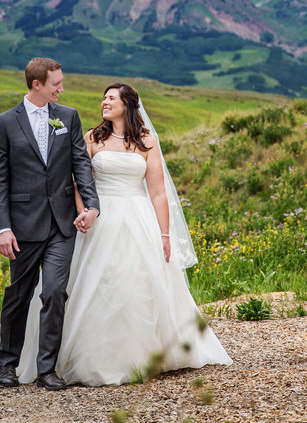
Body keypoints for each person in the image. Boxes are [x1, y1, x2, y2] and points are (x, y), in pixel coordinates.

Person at [14, 82, 232, 386]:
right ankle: (90, 358)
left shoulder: (146, 141)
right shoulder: (92, 137)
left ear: (128, 105)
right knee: (96, 283)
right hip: (99, 216)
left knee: (137, 284)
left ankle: (143, 355)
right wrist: (84, 211)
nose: (104, 102)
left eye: (111, 98)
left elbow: (157, 193)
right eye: (103, 97)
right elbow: (78, 180)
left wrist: (165, 235)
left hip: (137, 217)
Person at [0, 57, 100, 390]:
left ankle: (46, 368)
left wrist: (92, 206)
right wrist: (2, 228)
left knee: (53, 292)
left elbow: (80, 162)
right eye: (56, 84)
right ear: (36, 84)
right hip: (22, 226)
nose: (61, 89)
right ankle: (7, 364)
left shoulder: (68, 117)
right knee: (19, 295)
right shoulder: (5, 123)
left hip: (62, 224)